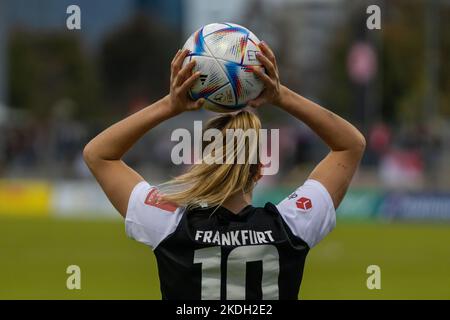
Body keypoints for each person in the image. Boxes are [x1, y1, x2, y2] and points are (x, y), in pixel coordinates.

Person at [83, 42, 366, 300]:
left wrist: (170, 105)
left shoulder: (170, 226)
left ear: (204, 162)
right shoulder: (291, 226)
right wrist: (281, 96)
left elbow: (99, 155)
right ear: (259, 170)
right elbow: (350, 145)